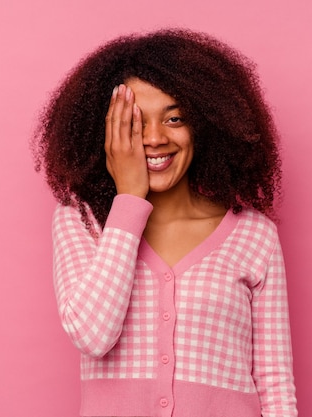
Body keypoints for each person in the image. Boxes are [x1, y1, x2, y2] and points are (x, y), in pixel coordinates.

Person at [33, 28, 297, 417]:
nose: (154, 138)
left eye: (174, 118)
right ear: (105, 132)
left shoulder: (255, 235)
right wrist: (128, 200)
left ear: (206, 124)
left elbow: (274, 382)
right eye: (136, 123)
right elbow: (92, 336)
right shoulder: (82, 219)